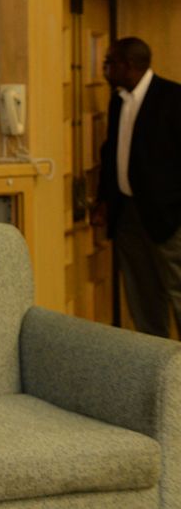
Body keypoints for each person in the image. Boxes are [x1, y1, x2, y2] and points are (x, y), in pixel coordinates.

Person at [94, 37, 181, 338]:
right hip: (128, 215)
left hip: (168, 218)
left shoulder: (173, 98)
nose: (105, 70)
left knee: (177, 290)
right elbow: (111, 154)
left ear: (127, 66)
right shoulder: (118, 100)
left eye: (109, 63)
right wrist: (104, 201)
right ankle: (158, 364)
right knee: (142, 294)